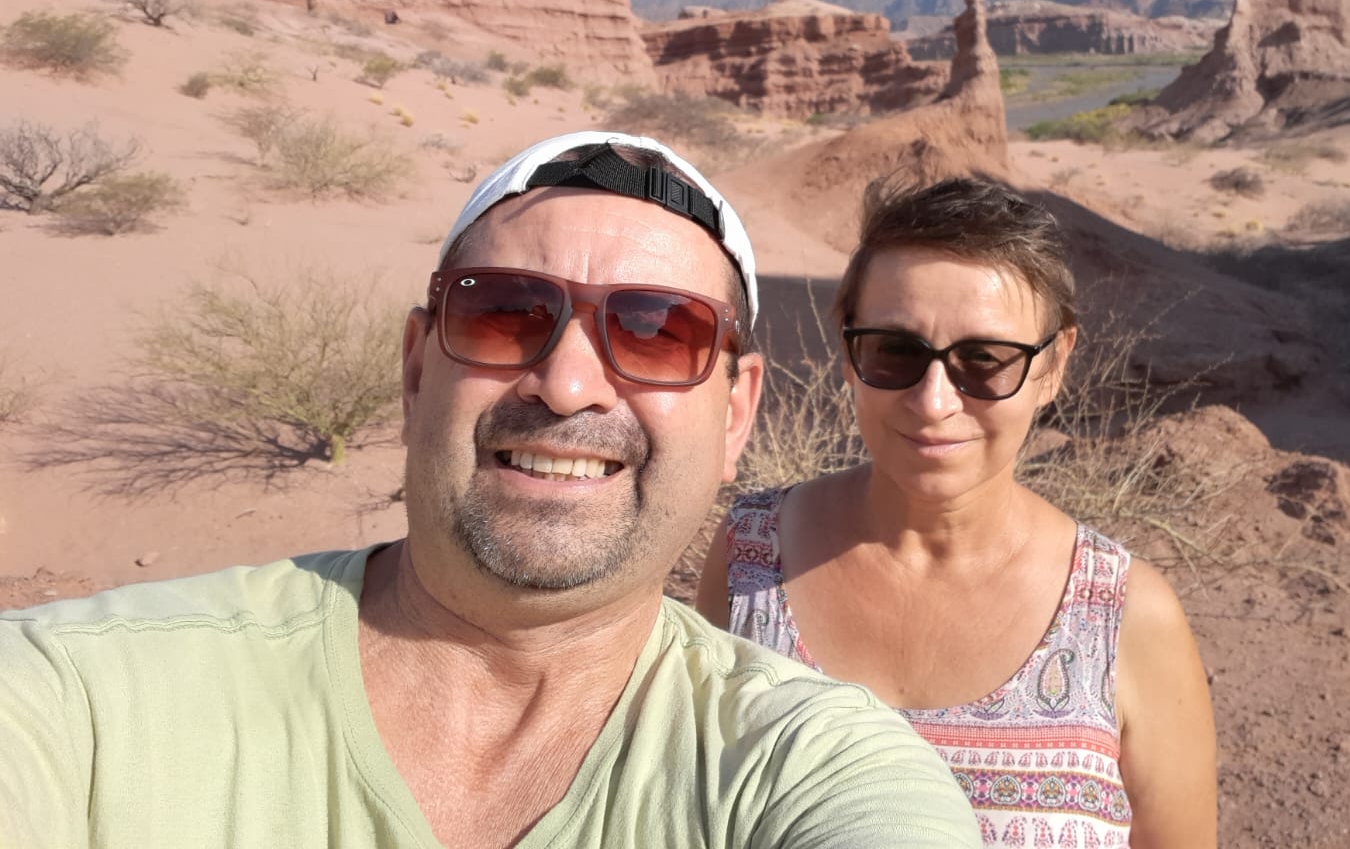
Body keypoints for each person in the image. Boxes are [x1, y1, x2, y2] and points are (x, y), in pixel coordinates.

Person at [0, 131, 981, 848]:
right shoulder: (83, 703)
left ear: (734, 414)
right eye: (507, 313)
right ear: (419, 367)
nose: (567, 383)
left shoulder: (801, 771)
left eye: (655, 331)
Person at [698, 175, 1217, 849]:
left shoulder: (1126, 619)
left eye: (985, 360)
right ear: (850, 354)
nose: (935, 401)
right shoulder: (751, 558)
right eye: (896, 351)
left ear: (1054, 365)